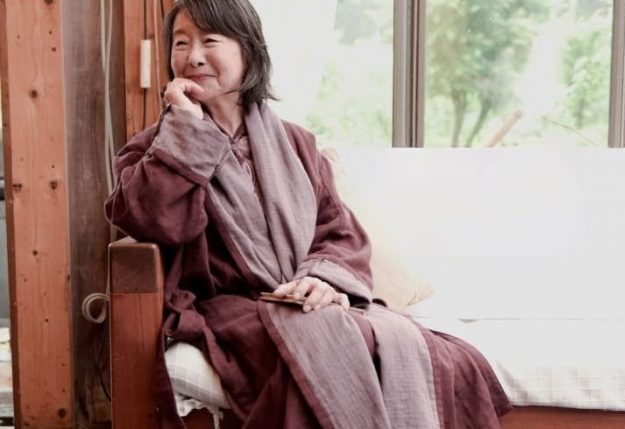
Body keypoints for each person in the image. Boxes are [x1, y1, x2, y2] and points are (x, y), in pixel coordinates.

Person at [105, 0, 511, 428]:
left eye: (210, 40)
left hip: (303, 298)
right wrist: (186, 131)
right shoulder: (151, 149)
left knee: (425, 352)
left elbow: (337, 230)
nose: (194, 57)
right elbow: (150, 219)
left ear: (248, 51)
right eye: (181, 43)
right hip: (230, 306)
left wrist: (320, 280)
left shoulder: (296, 144)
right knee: (330, 347)